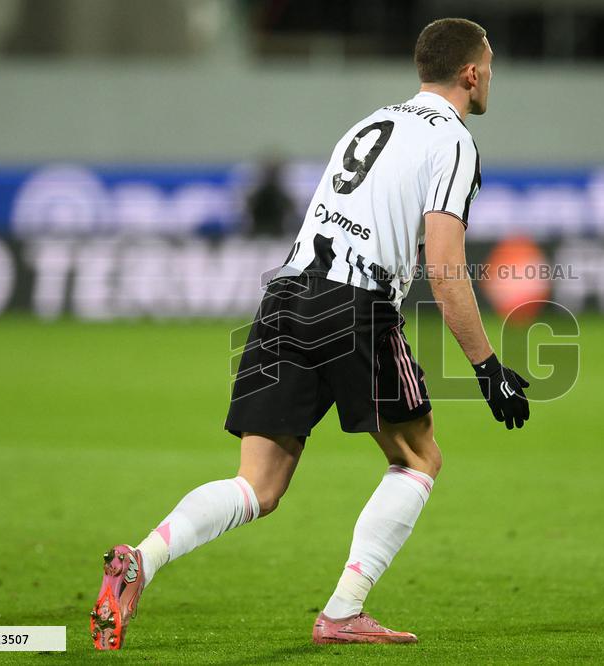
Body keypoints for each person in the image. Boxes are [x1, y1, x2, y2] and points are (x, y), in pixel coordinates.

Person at [90, 17, 530, 650]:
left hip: (287, 294)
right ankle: (344, 612)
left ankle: (142, 559)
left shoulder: (370, 122)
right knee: (417, 456)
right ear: (470, 73)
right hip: (355, 301)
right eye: (489, 64)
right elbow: (445, 265)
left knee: (257, 485)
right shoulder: (455, 143)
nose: (492, 76)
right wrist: (487, 367)